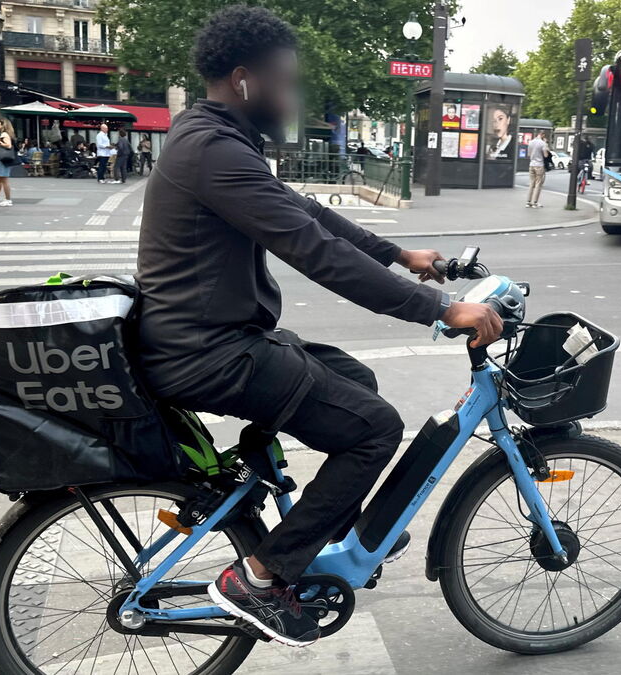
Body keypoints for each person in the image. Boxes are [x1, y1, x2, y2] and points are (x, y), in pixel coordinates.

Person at [136, 5, 502, 647]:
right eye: (285, 81)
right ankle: (261, 574)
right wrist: (442, 311)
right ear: (245, 79)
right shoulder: (212, 150)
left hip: (214, 339)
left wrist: (399, 254)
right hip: (206, 354)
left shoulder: (213, 137)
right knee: (374, 430)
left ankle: (340, 528)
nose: (291, 94)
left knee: (353, 377)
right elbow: (314, 251)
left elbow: (305, 210)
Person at [526, 131, 548, 208]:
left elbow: (529, 154)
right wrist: (546, 145)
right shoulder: (543, 143)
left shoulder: (531, 142)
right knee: (538, 184)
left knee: (532, 183)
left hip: (531, 164)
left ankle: (528, 202)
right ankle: (535, 202)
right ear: (542, 135)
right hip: (539, 165)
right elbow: (545, 155)